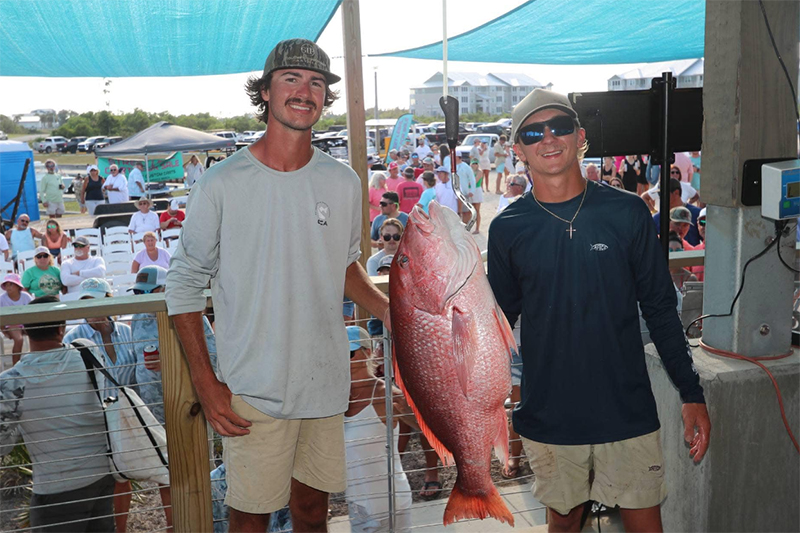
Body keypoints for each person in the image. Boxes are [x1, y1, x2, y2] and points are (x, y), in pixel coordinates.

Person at [165, 38, 390, 533]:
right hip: (253, 390)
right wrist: (207, 384)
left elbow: (345, 264)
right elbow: (182, 286)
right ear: (265, 91)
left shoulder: (342, 181)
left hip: (324, 384)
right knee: (250, 520)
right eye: (291, 79)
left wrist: (392, 310)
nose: (304, 91)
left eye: (316, 83)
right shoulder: (221, 183)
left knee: (314, 513)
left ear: (325, 97)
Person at [488, 89, 710, 532]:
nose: (548, 139)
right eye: (533, 132)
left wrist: (691, 392)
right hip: (549, 413)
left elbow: (662, 310)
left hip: (625, 409)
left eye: (561, 127)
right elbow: (493, 328)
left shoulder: (626, 212)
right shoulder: (506, 228)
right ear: (518, 149)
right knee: (564, 525)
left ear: (580, 135)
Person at [0, 296, 115, 532]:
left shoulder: (11, 382)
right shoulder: (88, 352)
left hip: (55, 487)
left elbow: (4, 444)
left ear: (26, 330)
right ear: (62, 329)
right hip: (102, 476)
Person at [62, 278, 140, 533]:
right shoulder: (74, 337)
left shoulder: (127, 332)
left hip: (125, 417)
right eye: (86, 301)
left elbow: (137, 375)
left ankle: (122, 528)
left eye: (95, 300)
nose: (90, 307)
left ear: (108, 300)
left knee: (122, 478)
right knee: (99, 480)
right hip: (93, 420)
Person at [344, 325, 414, 532]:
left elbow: (427, 426)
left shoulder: (385, 394)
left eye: (348, 352)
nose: (341, 357)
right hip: (358, 506)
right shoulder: (337, 399)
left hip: (391, 504)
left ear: (367, 352)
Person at [652, 176, 703, 246]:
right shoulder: (657, 218)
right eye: (659, 194)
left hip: (691, 255)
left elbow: (707, 242)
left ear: (676, 193)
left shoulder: (697, 213)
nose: (660, 197)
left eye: (662, 193)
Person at [1, 273, 33, 364]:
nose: (8, 287)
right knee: (19, 339)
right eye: (6, 285)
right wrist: (3, 330)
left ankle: (34, 360)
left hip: (26, 322)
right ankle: (16, 365)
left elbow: (32, 311)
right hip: (11, 324)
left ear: (17, 286)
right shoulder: (2, 299)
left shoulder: (26, 296)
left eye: (11, 284)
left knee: (36, 334)